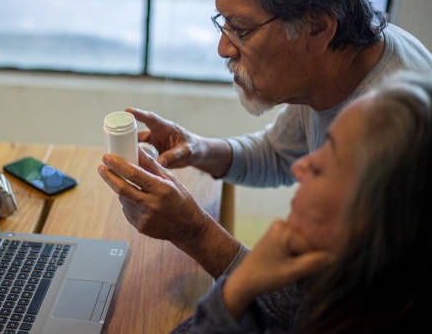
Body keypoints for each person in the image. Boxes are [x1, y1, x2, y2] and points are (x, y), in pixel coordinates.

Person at [98, 0, 432, 280]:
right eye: (223, 22)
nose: (223, 48)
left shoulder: (390, 147)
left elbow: (306, 314)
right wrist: (199, 149)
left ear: (317, 27)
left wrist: (193, 232)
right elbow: (279, 153)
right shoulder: (342, 57)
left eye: (240, 29)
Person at [174, 71, 432, 333]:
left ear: (372, 217)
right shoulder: (332, 284)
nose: (300, 168)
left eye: (323, 167)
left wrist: (238, 288)